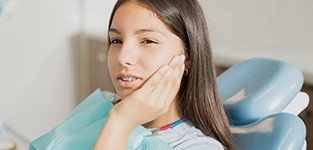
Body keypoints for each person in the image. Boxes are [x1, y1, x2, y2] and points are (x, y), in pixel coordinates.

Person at [94, 0, 234, 149]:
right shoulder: (102, 105)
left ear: (188, 57)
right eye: (116, 40)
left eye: (148, 41)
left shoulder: (197, 147)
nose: (122, 58)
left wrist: (121, 122)